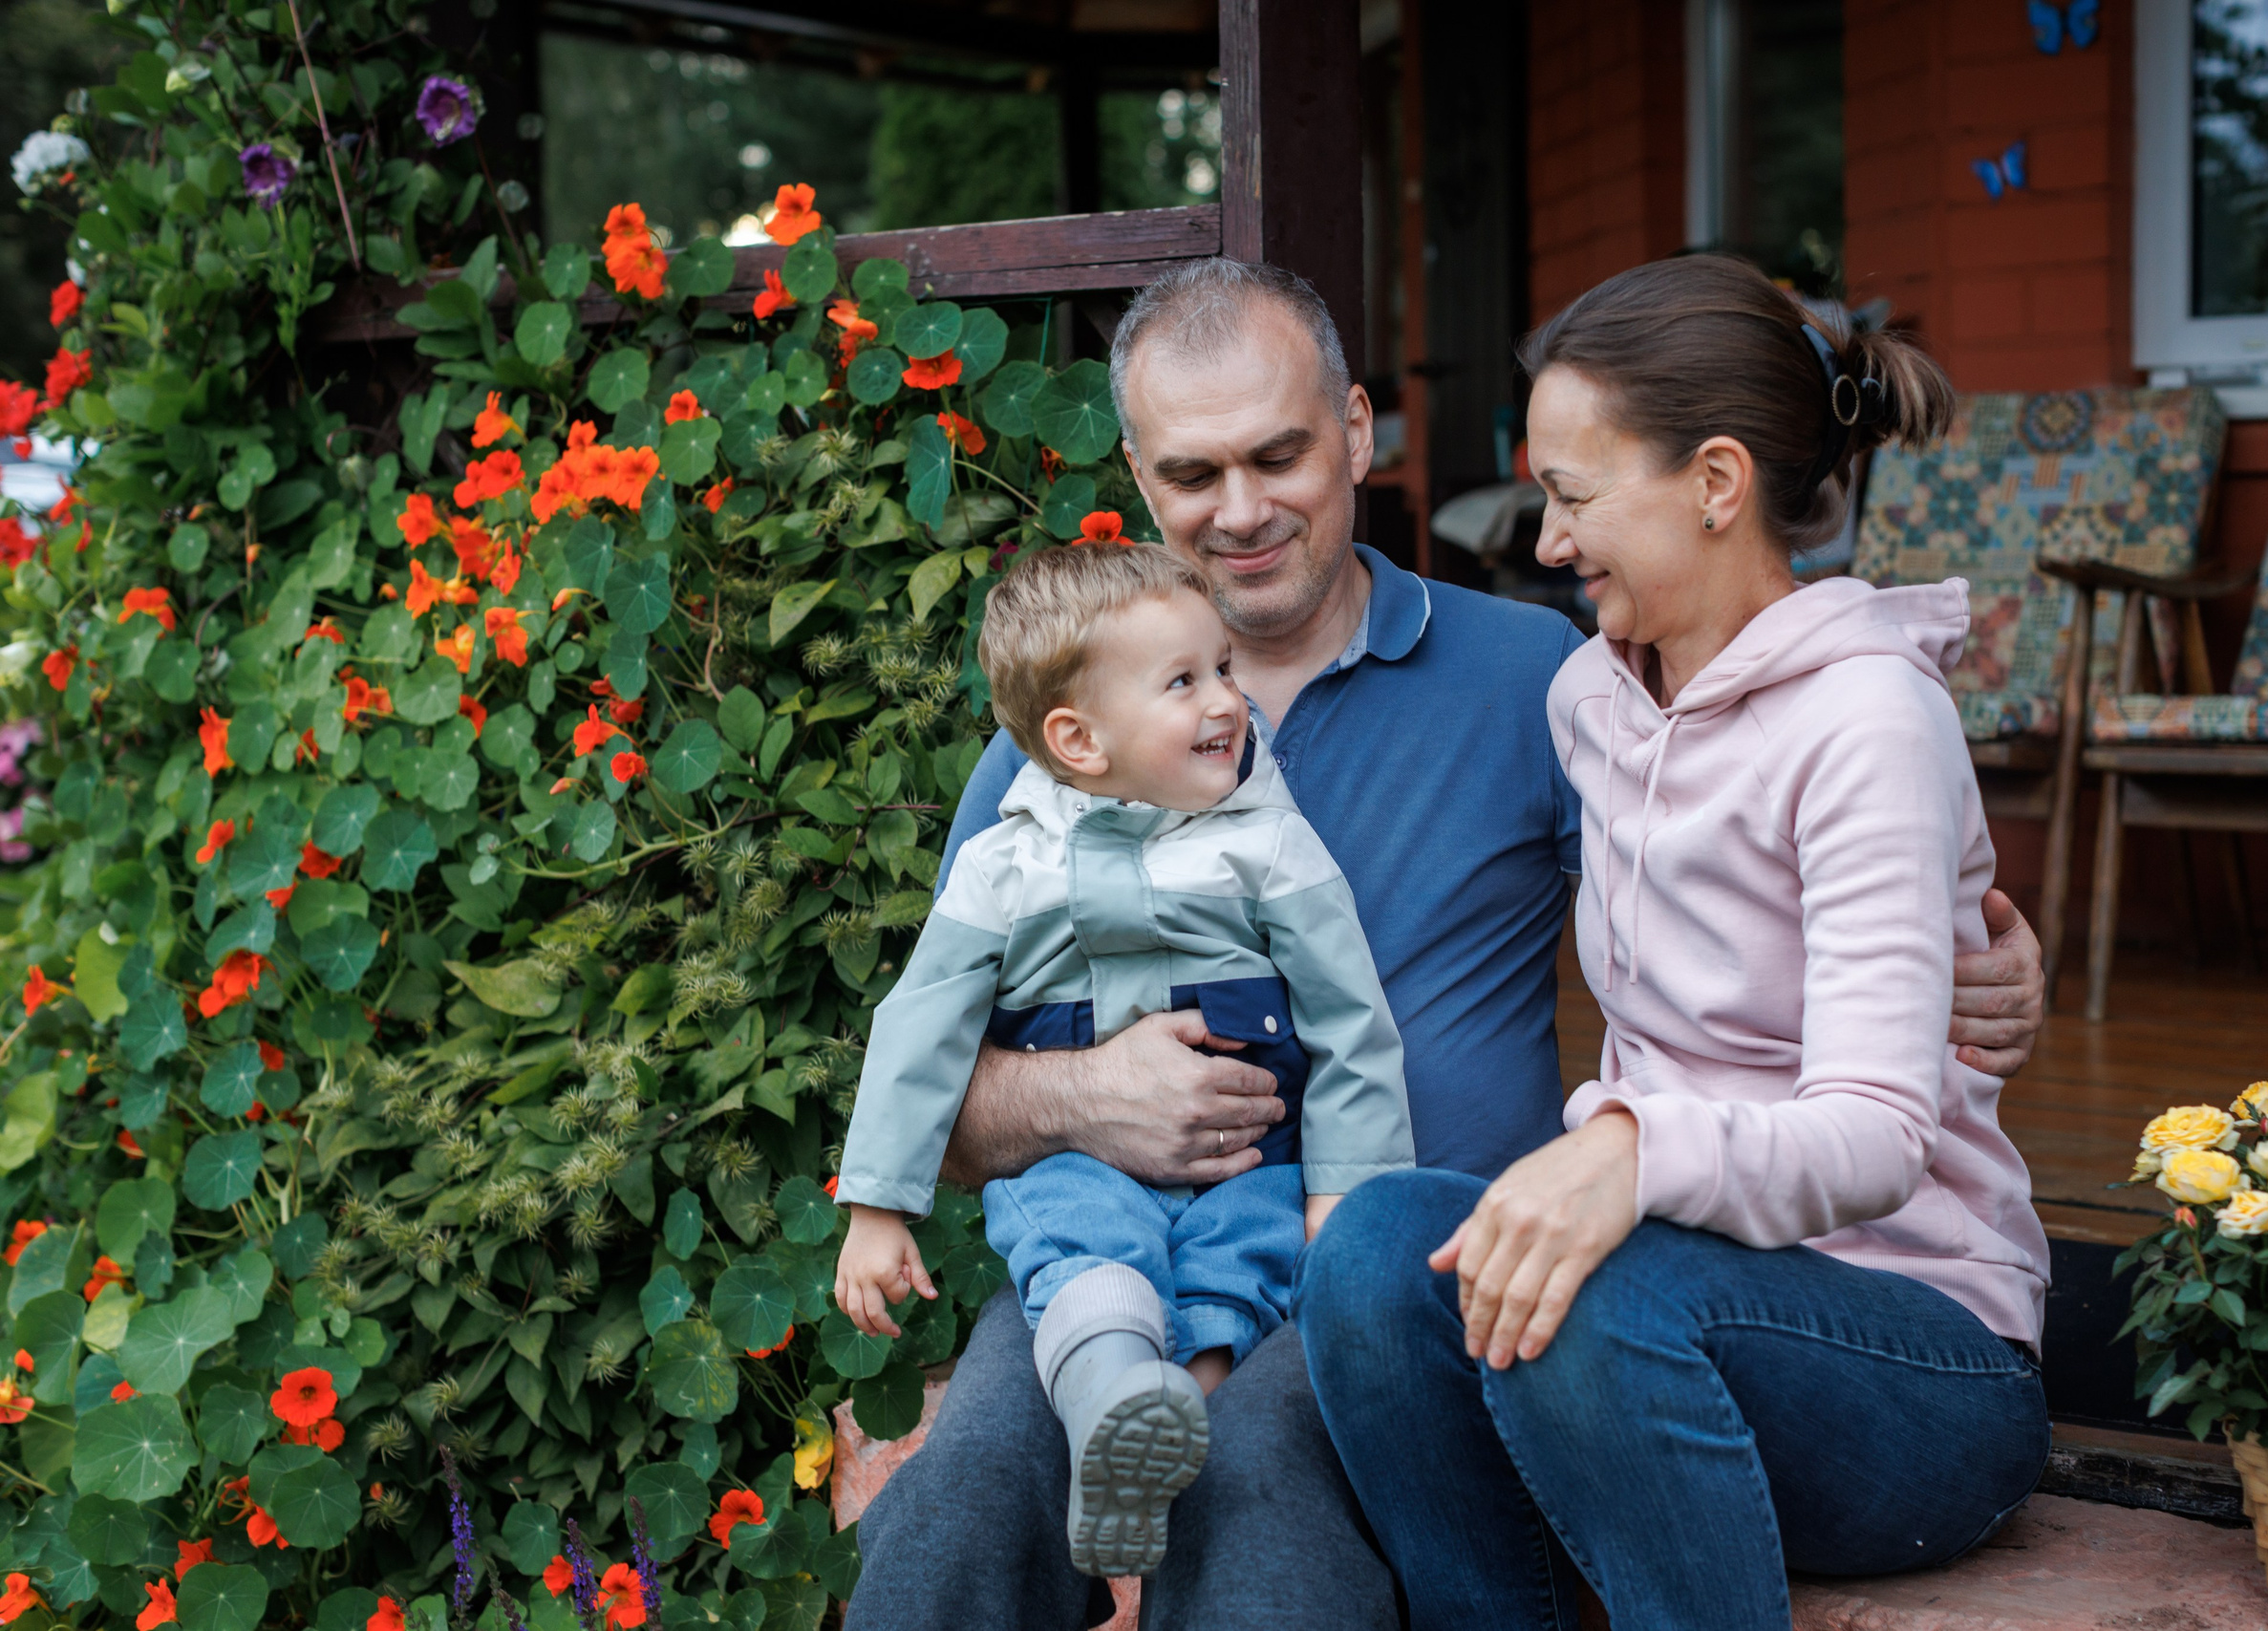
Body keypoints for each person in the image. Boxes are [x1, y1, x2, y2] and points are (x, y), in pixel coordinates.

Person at [844, 257, 2050, 1631]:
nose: (1238, 511)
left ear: (1356, 432)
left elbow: (1782, 869)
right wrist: (1081, 1093)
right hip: (1114, 1252)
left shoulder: (1537, 677)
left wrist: (1985, 958)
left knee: (1262, 1513)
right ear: (1136, 471)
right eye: (1191, 473)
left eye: (1278, 454)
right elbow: (929, 1086)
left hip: (1419, 1273)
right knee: (956, 1503)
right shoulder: (1063, 737)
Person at [1298, 256, 2054, 1630]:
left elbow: (1881, 1130)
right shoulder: (1593, 694)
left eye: (1575, 497)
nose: (1544, 541)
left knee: (1588, 1294)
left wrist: (1629, 1150)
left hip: (1917, 1356)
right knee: (1371, 1251)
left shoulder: (1870, 721)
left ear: (1716, 482)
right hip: (1669, 1318)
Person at [830, 542, 1411, 1578]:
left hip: (1252, 1166)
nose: (1229, 700)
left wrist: (1345, 1194)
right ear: (1078, 740)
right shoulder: (1005, 864)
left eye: (1223, 668)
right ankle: (1110, 1408)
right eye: (1184, 681)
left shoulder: (1270, 847)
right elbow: (921, 1022)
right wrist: (879, 1206)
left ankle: (1164, 1427)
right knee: (1078, 1244)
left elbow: (1350, 1024)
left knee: (1246, 1261)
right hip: (1079, 1166)